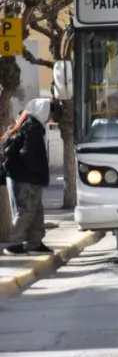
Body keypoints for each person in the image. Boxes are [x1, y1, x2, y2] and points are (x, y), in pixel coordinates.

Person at [2, 98, 54, 256]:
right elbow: (28, 153)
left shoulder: (33, 125)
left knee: (36, 211)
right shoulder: (31, 127)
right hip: (27, 179)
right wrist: (38, 171)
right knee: (27, 211)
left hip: (29, 178)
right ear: (44, 111)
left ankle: (35, 243)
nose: (51, 117)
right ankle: (15, 243)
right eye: (51, 112)